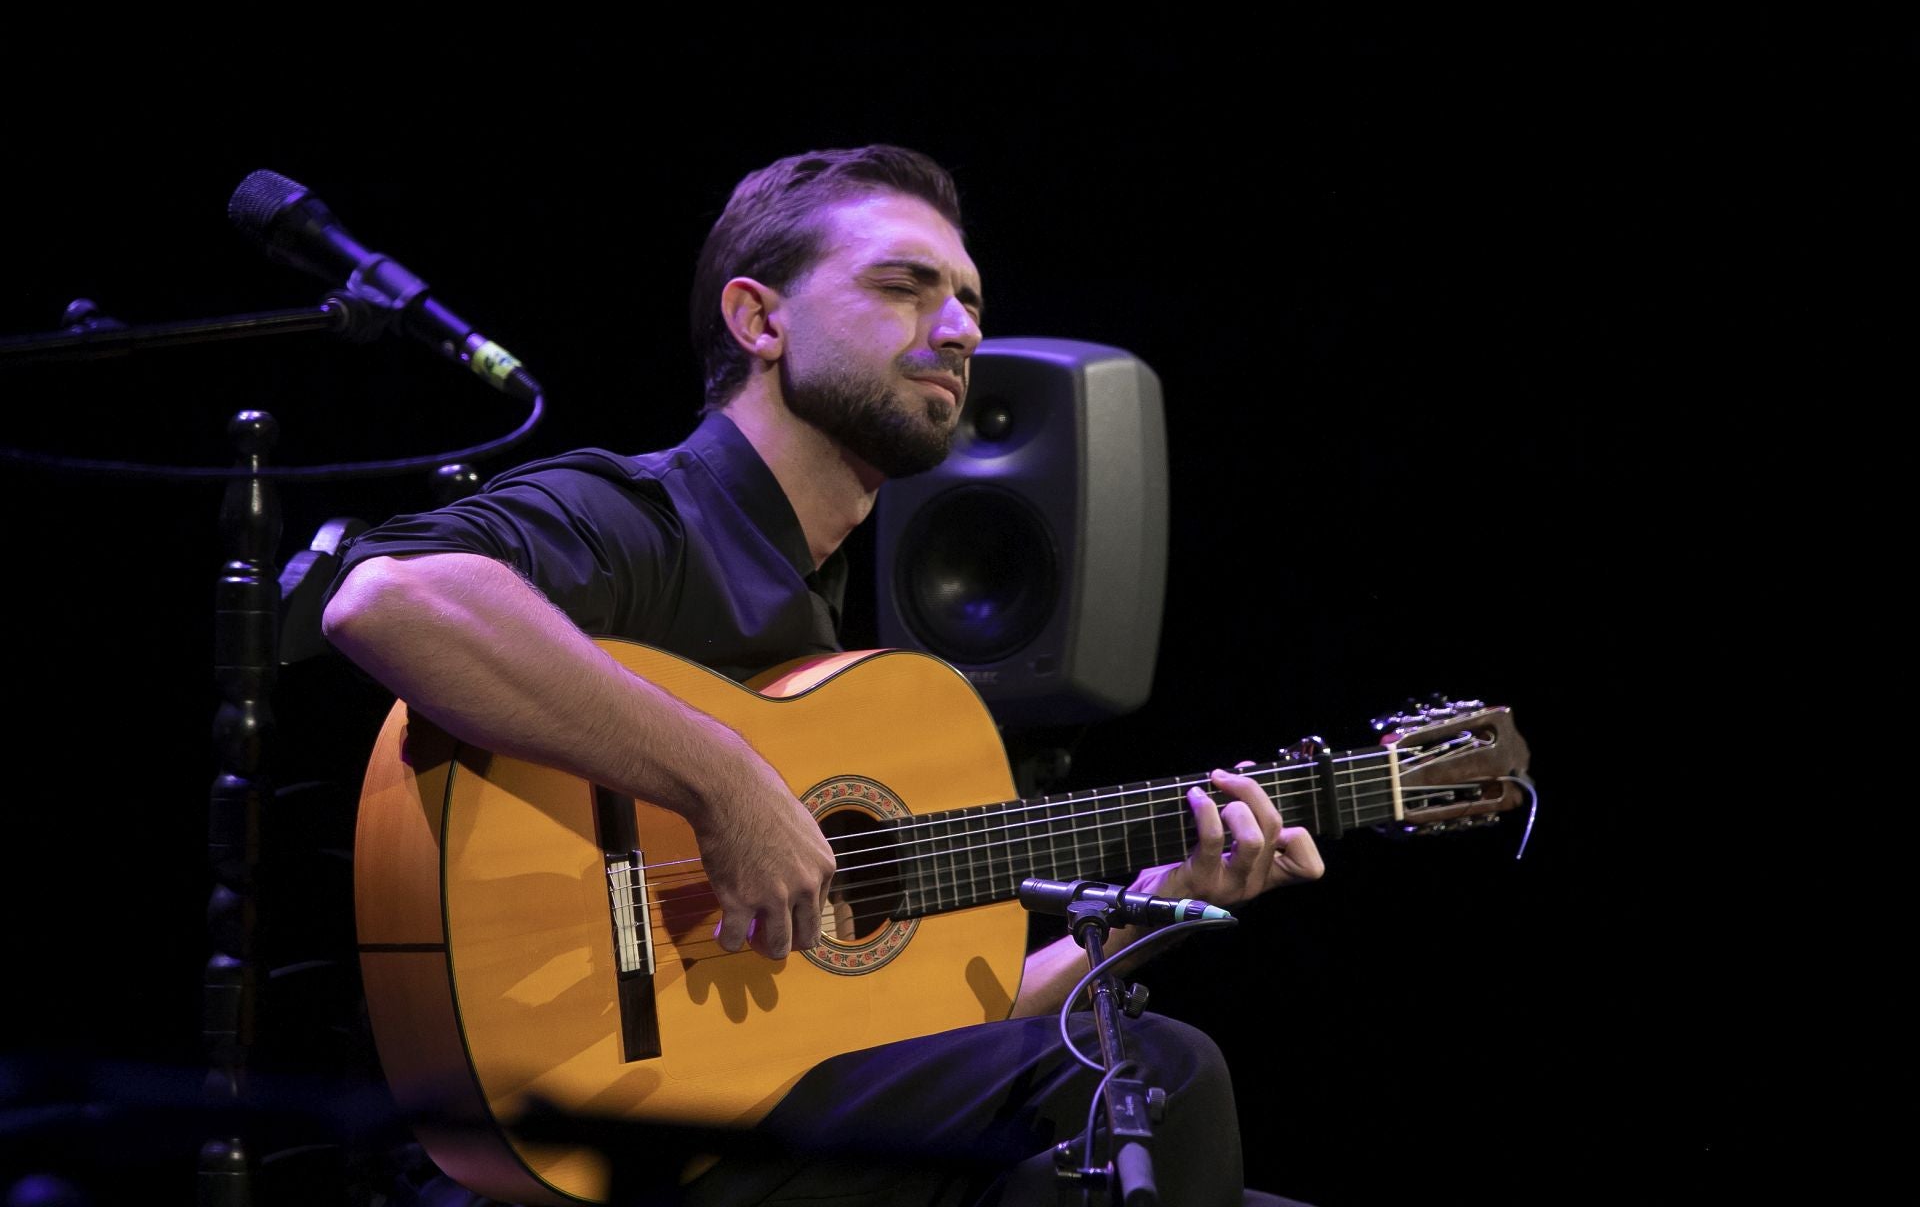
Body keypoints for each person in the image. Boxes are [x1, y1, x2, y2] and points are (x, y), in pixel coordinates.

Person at [323, 145, 1323, 1206]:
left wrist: (1149, 905)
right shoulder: (647, 516)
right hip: (588, 1131)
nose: (961, 330)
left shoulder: (835, 638)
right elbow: (391, 597)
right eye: (905, 286)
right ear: (760, 320)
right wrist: (727, 784)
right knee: (1167, 1070)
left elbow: (948, 1034)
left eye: (970, 301)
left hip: (758, 1123)